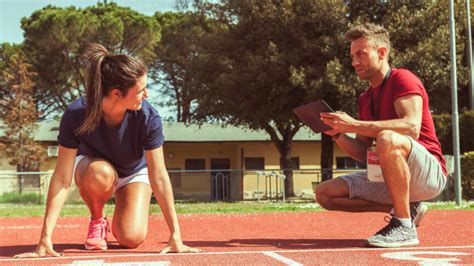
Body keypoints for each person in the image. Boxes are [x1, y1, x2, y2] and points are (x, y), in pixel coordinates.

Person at [15, 43, 201, 258]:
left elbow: (158, 175)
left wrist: (176, 235)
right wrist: (45, 238)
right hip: (94, 170)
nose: (147, 94)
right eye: (140, 90)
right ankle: (97, 219)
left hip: (133, 172)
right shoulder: (77, 113)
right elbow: (62, 177)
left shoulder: (148, 117)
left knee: (131, 238)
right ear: (116, 93)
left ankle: (121, 218)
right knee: (100, 172)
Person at [315, 23, 447, 248]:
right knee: (324, 193)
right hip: (391, 176)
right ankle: (406, 209)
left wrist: (355, 124)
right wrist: (337, 134)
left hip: (428, 173)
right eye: (352, 56)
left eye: (360, 54)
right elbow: (363, 153)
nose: (354, 62)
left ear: (382, 52)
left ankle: (403, 226)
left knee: (387, 137)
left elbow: (411, 127)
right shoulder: (365, 98)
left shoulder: (403, 79)